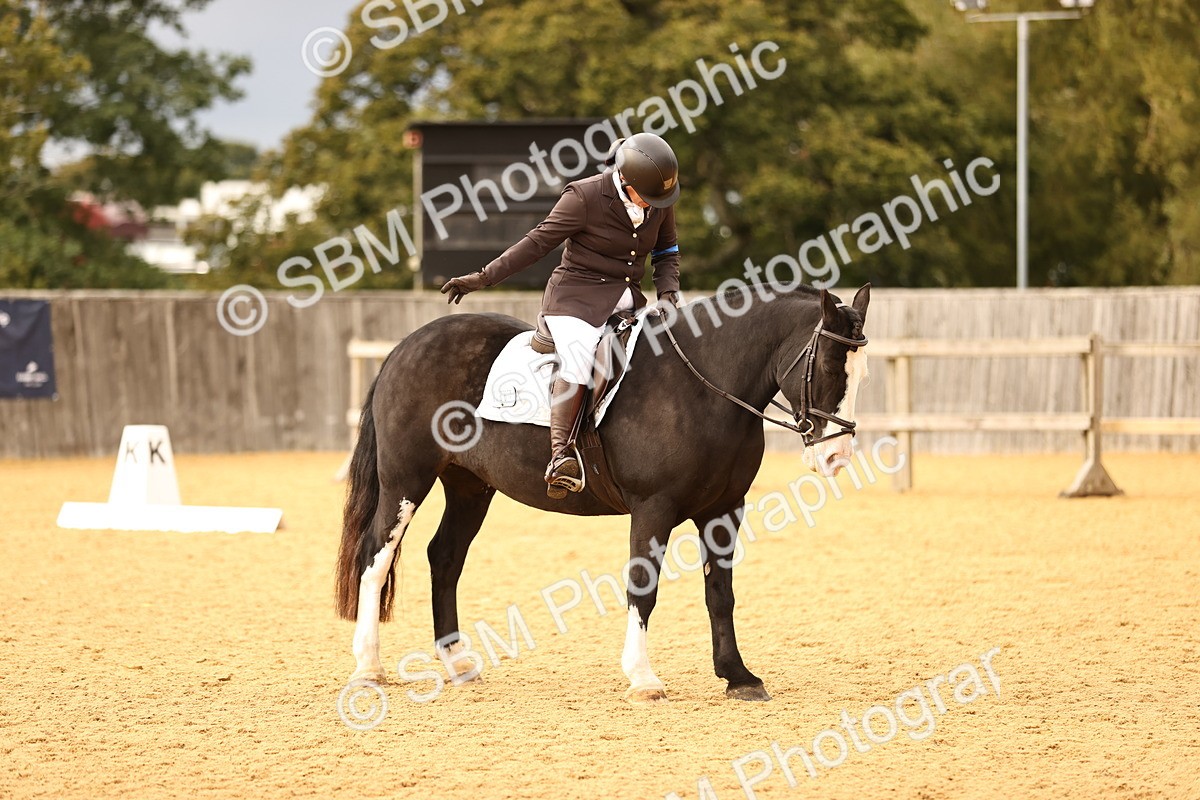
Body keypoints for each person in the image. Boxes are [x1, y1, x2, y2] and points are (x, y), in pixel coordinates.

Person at [440, 132, 683, 498]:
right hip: (574, 300)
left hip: (627, 300)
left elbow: (667, 252)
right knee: (581, 357)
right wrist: (483, 277)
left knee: (667, 348)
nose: (652, 206)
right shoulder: (583, 196)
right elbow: (537, 243)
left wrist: (668, 296)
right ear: (625, 180)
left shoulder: (658, 200)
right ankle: (561, 455)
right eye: (645, 198)